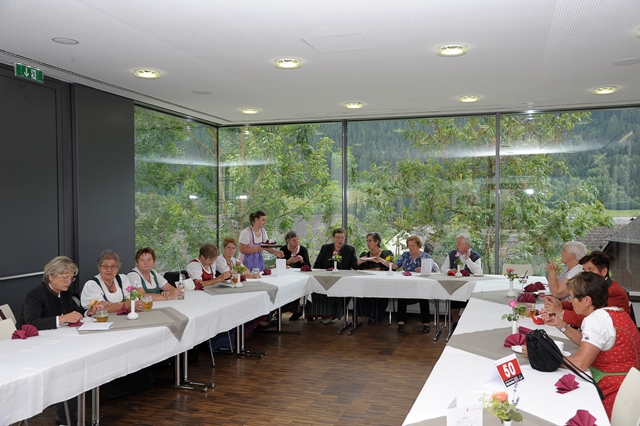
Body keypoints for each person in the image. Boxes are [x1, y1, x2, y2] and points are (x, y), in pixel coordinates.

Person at [532, 272, 640, 419]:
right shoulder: (617, 314)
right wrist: (561, 325)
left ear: (587, 300)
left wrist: (546, 356)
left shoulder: (595, 320)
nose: (571, 302)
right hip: (630, 391)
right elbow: (591, 343)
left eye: (573, 297)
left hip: (613, 394)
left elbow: (581, 364)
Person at [18, 256, 100, 425]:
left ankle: (69, 415)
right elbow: (31, 322)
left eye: (71, 278)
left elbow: (76, 311)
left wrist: (89, 312)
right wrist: (62, 319)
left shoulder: (64, 292)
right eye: (65, 278)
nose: (69, 282)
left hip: (58, 343)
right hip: (32, 347)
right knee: (68, 371)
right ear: (50, 276)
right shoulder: (35, 295)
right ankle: (64, 418)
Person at [544, 251, 630, 328]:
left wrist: (561, 312)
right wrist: (560, 304)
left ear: (604, 271)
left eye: (590, 270)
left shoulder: (615, 292)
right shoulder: (594, 286)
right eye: (585, 270)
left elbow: (590, 320)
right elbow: (583, 304)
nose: (586, 275)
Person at [311, 228, 357, 324]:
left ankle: (332, 314)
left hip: (342, 279)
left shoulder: (350, 249)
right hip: (325, 277)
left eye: (342, 238)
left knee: (343, 291)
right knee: (317, 288)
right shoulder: (325, 248)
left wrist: (361, 261)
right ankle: (320, 313)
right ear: (333, 238)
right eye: (338, 237)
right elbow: (317, 264)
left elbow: (354, 267)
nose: (340, 240)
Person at [394, 235, 436, 333]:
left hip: (420, 286)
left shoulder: (426, 257)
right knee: (401, 296)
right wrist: (383, 261)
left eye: (413, 245)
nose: (411, 248)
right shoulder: (405, 255)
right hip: (406, 285)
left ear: (418, 246)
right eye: (409, 245)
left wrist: (423, 270)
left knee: (423, 297)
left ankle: (426, 323)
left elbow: (434, 271)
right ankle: (401, 322)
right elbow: (395, 266)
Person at [440, 233, 482, 328]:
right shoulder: (452, 254)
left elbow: (478, 272)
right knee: (454, 295)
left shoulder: (475, 256)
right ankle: (455, 323)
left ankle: (468, 323)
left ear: (466, 245)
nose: (456, 245)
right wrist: (449, 271)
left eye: (459, 243)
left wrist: (468, 260)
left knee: (472, 299)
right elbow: (443, 268)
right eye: (456, 243)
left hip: (471, 287)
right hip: (456, 286)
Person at [357, 232, 393, 324]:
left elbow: (390, 268)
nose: (367, 243)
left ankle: (375, 316)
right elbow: (358, 269)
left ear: (376, 242)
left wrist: (376, 268)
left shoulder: (386, 254)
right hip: (367, 283)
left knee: (377, 292)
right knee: (360, 290)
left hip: (382, 283)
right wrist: (361, 262)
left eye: (370, 241)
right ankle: (364, 315)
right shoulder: (364, 255)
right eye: (367, 241)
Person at [280, 230, 311, 321]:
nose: (297, 241)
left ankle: (296, 310)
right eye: (294, 240)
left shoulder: (303, 250)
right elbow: (278, 264)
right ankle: (286, 310)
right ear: (288, 241)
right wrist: (289, 261)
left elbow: (308, 266)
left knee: (296, 287)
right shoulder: (283, 249)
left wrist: (301, 261)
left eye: (297, 239)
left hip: (299, 276)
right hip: (285, 276)